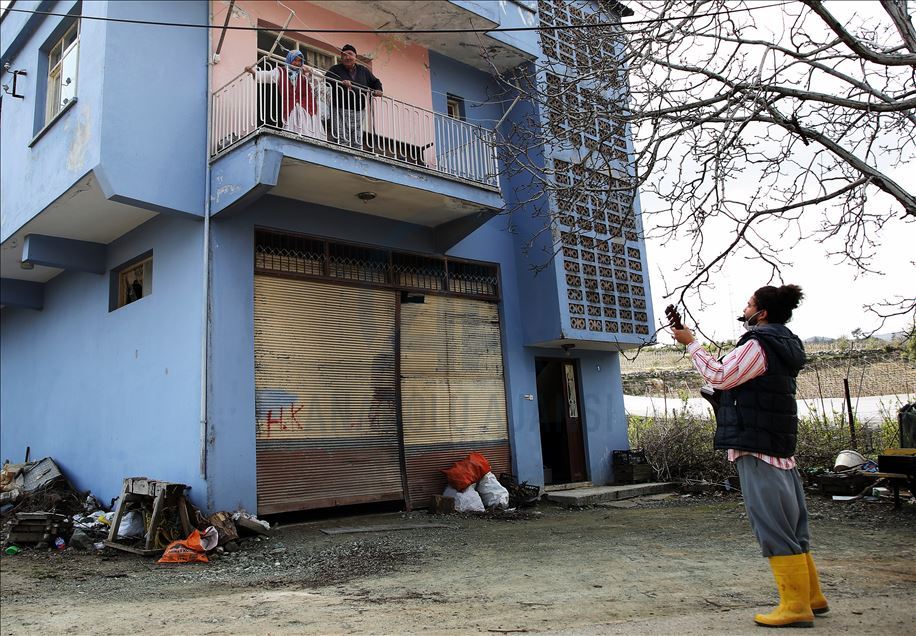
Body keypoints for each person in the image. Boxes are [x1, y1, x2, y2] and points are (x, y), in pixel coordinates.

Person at [671, 285, 829, 628]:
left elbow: (720, 376)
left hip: (756, 445)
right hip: (777, 443)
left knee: (772, 524)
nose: (744, 309)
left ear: (762, 313)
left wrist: (692, 344)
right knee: (792, 523)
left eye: (749, 304)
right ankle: (812, 597)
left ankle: (794, 606)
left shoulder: (758, 344)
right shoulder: (785, 343)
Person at [247, 50, 323, 140]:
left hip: (307, 105)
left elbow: (320, 77)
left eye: (299, 61)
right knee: (293, 126)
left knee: (308, 126)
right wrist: (253, 72)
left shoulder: (304, 74)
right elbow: (268, 75)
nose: (297, 63)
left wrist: (310, 70)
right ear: (289, 60)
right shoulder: (281, 71)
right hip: (291, 106)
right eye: (295, 60)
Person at [324, 44, 383, 149]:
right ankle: (342, 156)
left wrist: (378, 90)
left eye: (350, 54)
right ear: (341, 57)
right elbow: (327, 80)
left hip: (358, 111)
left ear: (355, 56)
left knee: (357, 141)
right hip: (340, 109)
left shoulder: (363, 70)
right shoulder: (335, 69)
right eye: (344, 55)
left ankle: (356, 157)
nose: (347, 57)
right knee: (342, 139)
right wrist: (341, 82)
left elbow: (375, 82)